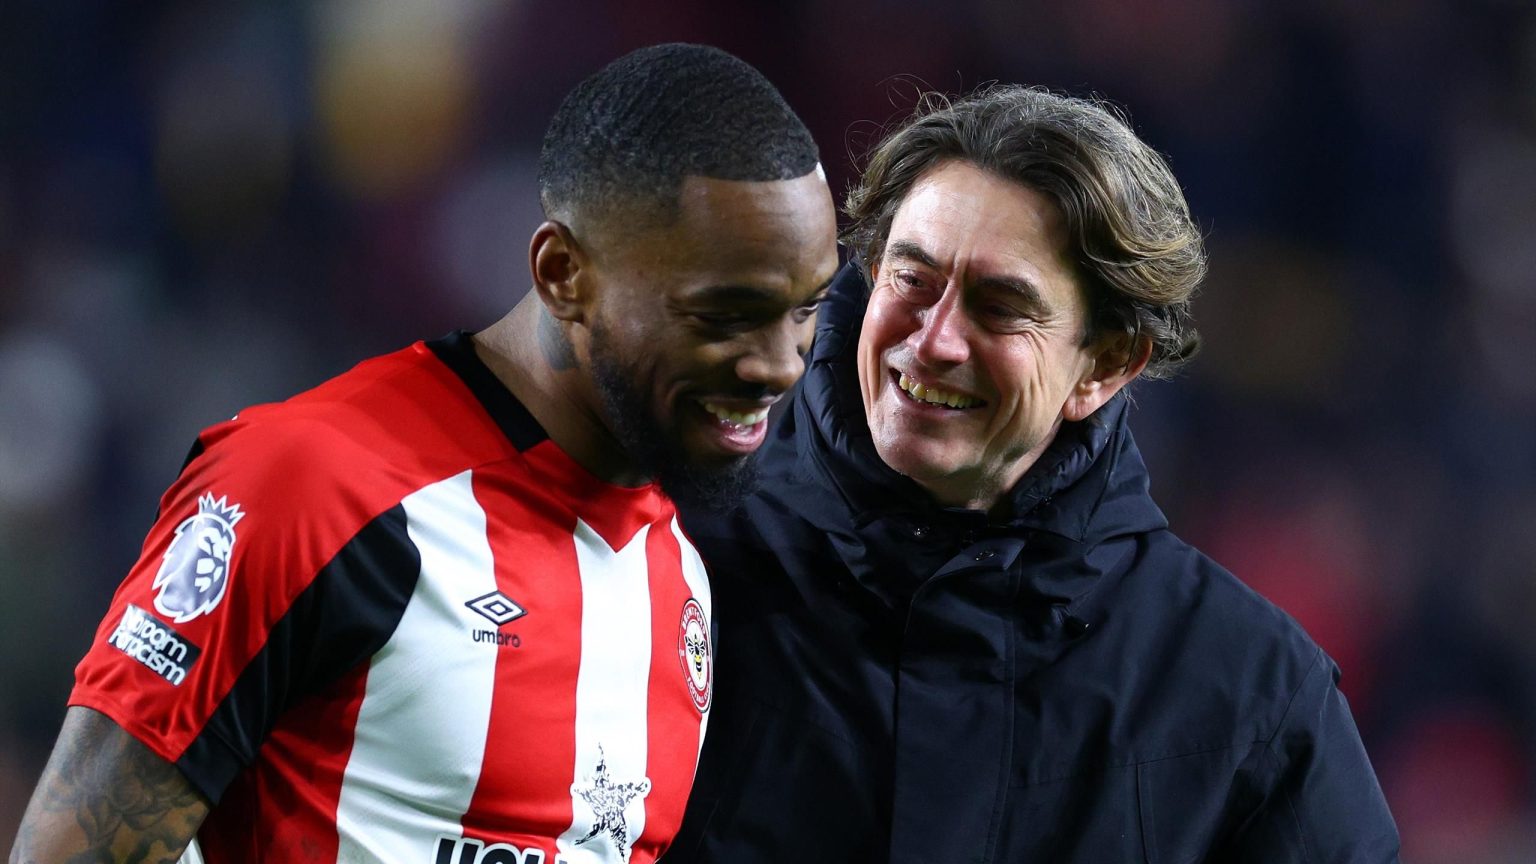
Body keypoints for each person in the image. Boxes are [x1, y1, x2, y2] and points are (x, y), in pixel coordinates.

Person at [9, 43, 838, 864]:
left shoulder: (677, 574)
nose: (780, 364)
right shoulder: (314, 490)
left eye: (806, 309)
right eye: (725, 316)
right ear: (563, 274)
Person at [665, 86, 1401, 862]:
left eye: (999, 307)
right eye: (913, 280)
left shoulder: (1253, 694)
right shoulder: (670, 559)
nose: (935, 341)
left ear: (1106, 364)